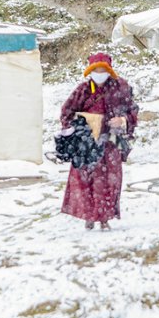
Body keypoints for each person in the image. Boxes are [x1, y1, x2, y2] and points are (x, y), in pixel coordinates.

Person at [60, 53, 138, 230]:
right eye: (96, 70)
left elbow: (132, 110)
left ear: (109, 70)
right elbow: (67, 112)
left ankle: (104, 217)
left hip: (111, 142)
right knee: (85, 179)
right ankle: (89, 215)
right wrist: (78, 127)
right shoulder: (83, 90)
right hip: (87, 144)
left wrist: (123, 120)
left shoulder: (121, 88)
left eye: (103, 69)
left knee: (110, 180)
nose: (100, 73)